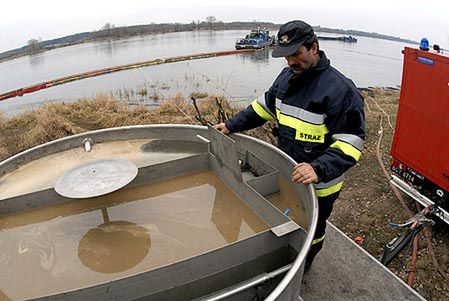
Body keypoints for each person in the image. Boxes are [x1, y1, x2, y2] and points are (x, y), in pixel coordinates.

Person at [214, 20, 365, 270]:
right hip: (287, 174)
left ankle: (304, 266)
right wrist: (231, 125)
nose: (291, 62)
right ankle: (285, 258)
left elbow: (351, 143)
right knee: (286, 217)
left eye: (296, 54)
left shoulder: (340, 91)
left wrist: (317, 169)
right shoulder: (286, 77)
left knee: (313, 230)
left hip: (321, 185)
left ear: (313, 48)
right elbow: (262, 108)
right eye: (286, 56)